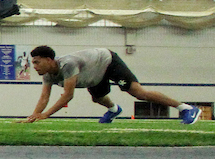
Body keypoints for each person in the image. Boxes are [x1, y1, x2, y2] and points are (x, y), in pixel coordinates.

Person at [19, 45, 199, 125]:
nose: (34, 66)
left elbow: (68, 95)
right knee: (98, 98)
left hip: (107, 61)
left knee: (138, 93)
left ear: (50, 60)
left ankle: (186, 108)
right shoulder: (48, 74)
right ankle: (114, 110)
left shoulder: (68, 65)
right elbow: (44, 97)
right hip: (93, 74)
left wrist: (45, 115)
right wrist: (34, 116)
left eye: (37, 62)